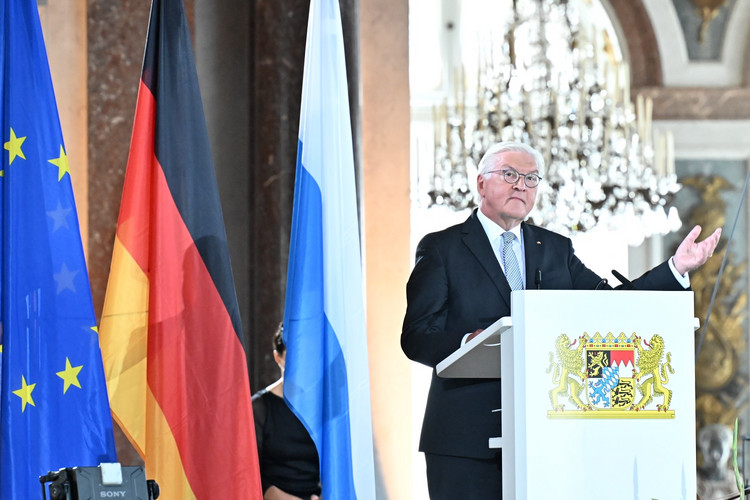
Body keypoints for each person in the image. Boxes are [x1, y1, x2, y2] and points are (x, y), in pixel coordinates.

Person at [401, 141, 722, 499]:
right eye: (510, 174)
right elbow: (417, 336)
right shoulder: (443, 248)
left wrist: (676, 268)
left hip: (551, 436)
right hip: (465, 440)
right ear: (481, 184)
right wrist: (468, 343)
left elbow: (609, 306)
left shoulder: (554, 248)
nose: (521, 185)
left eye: (531, 178)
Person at [252, 323, 322, 500]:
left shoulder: (322, 406)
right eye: (294, 356)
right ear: (278, 358)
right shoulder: (260, 408)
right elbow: (249, 472)